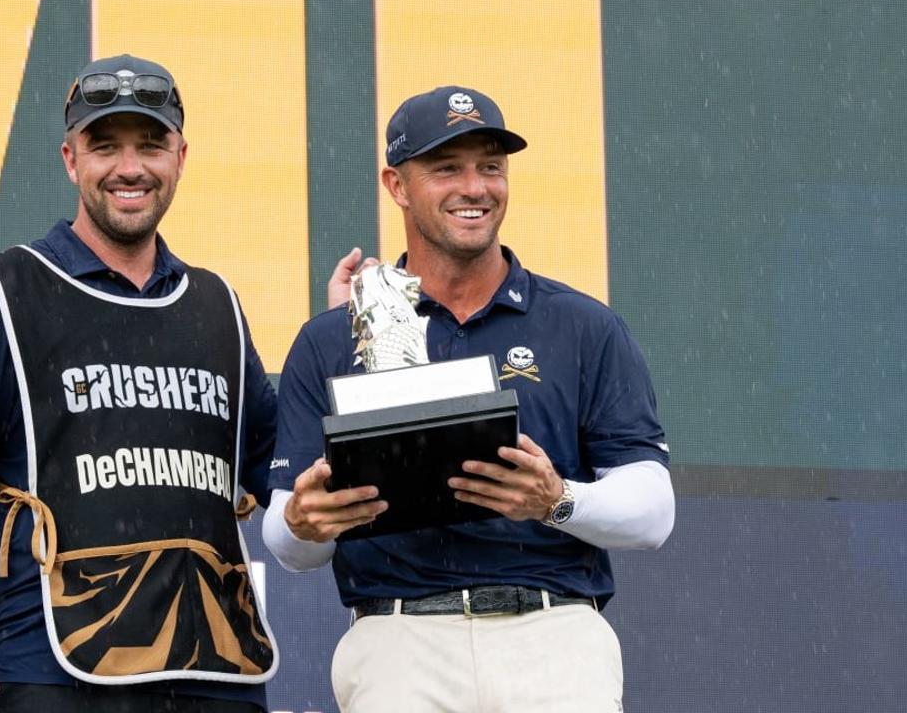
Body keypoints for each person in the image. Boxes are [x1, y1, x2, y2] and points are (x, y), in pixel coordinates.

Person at [0, 54, 359, 713]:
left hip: (215, 666)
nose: (129, 167)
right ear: (70, 159)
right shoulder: (4, 287)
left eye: (151, 145)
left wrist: (344, 347)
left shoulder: (214, 304)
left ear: (180, 157)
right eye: (104, 146)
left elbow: (279, 472)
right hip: (54, 663)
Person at [262, 85, 676, 712]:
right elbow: (290, 541)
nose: (476, 187)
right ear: (397, 186)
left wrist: (555, 501)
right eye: (446, 168)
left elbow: (652, 511)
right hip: (397, 640)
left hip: (555, 634)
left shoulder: (582, 326)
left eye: (491, 166)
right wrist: (303, 523)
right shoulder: (337, 335)